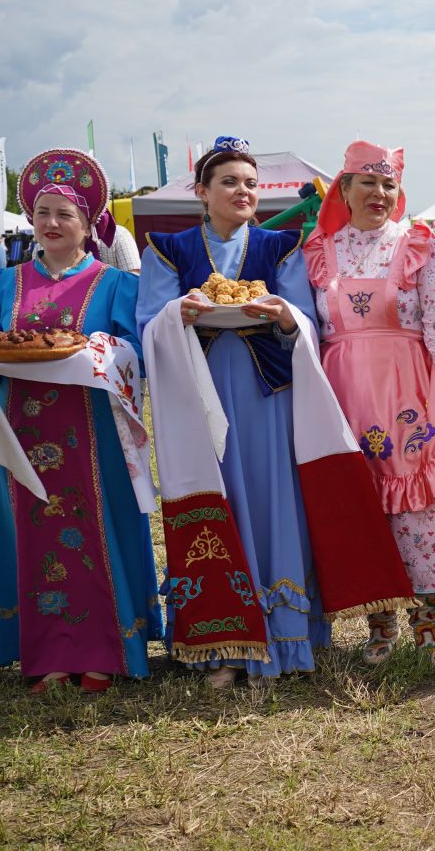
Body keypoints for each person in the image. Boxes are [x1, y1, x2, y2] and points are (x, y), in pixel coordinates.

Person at [0, 150, 158, 692]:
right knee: (33, 535)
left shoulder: (118, 285)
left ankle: (104, 652)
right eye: (43, 212)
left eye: (64, 215)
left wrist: (98, 350)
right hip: (20, 432)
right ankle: (46, 655)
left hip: (93, 427)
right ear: (32, 220)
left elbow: (134, 355)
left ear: (87, 224)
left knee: (99, 531)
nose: (52, 223)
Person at [139, 137, 327, 687]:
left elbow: (307, 320)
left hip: (267, 393)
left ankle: (284, 637)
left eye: (250, 182)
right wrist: (182, 311)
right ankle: (220, 640)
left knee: (270, 498)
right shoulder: (168, 250)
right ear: (202, 192)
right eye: (229, 181)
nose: (242, 191)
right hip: (197, 394)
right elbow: (148, 322)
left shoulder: (280, 246)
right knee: (213, 498)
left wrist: (285, 315)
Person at [307, 141, 435, 665]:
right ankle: (380, 622)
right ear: (343, 190)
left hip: (411, 389)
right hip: (345, 392)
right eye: (366, 183)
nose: (378, 193)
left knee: (422, 508)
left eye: (388, 184)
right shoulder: (319, 249)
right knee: (367, 505)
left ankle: (427, 621)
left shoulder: (418, 243)